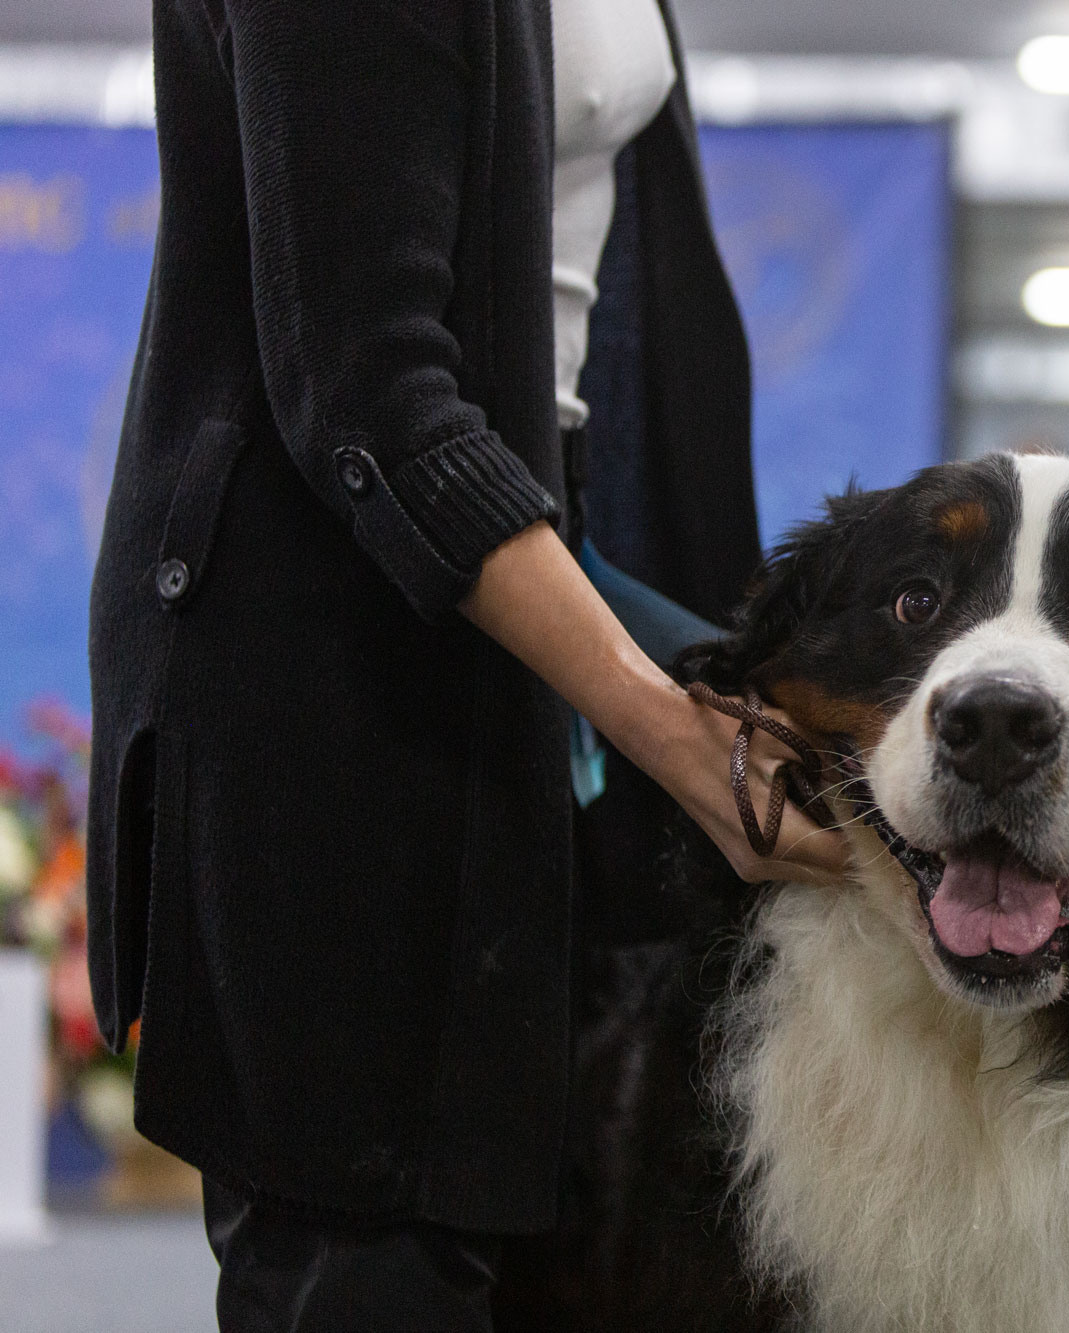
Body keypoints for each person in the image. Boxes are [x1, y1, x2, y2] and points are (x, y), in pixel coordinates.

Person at [84, 1, 845, 1327]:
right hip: (329, 675)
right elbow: (372, 398)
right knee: (373, 1267)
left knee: (561, 1250)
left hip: (526, 603)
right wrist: (668, 727)